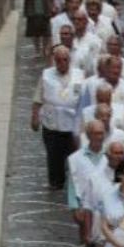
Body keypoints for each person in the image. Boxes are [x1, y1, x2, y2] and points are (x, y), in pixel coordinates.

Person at [31, 45, 85, 190]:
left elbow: (84, 101)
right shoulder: (46, 75)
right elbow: (38, 98)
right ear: (54, 61)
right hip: (52, 123)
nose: (62, 63)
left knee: (74, 156)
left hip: (72, 125)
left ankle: (76, 183)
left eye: (65, 60)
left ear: (70, 60)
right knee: (54, 156)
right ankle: (56, 181)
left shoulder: (79, 76)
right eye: (59, 60)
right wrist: (35, 117)